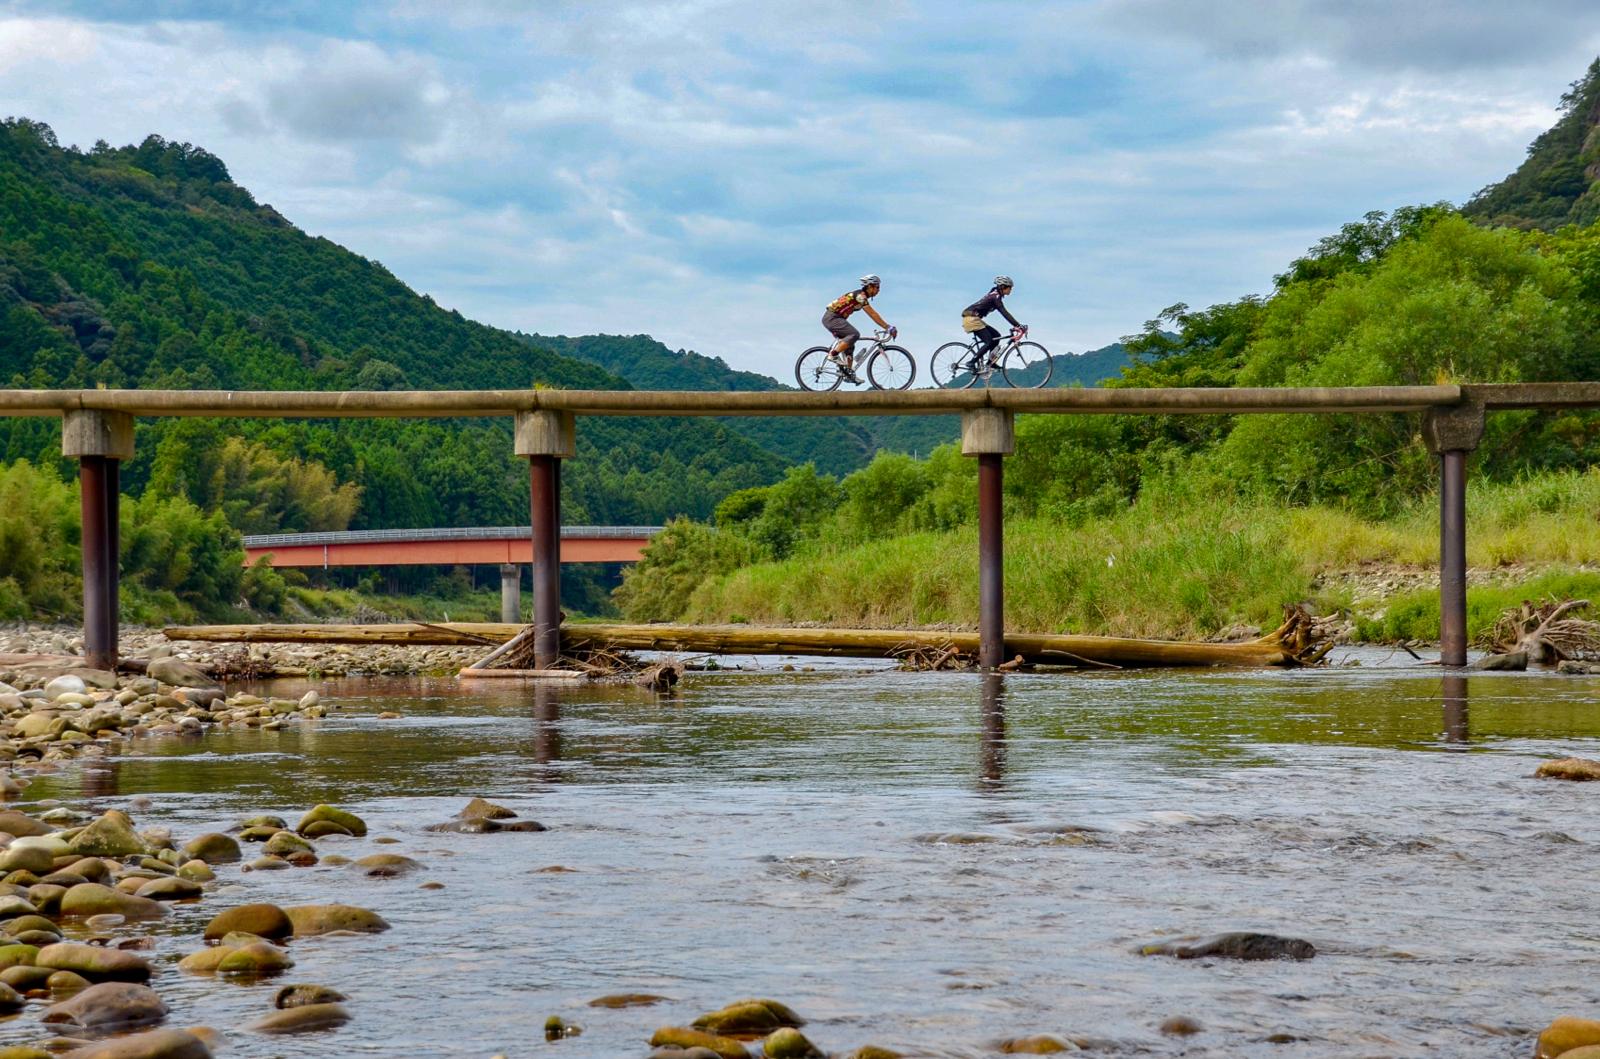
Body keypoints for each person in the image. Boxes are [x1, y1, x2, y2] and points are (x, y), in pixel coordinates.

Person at [822, 274, 895, 382]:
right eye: (877, 287)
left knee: (850, 346)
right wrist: (888, 327)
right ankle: (833, 354)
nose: (879, 290)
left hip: (835, 318)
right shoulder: (860, 296)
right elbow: (873, 314)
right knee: (855, 334)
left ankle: (849, 374)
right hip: (832, 318)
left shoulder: (860, 297)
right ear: (870, 286)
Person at [962, 275, 1025, 366]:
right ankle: (972, 362)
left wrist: (1016, 325)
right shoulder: (995, 297)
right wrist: (1018, 325)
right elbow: (1004, 312)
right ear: (1003, 287)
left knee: (996, 336)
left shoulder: (995, 294)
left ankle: (990, 363)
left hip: (975, 319)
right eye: (1010, 288)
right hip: (971, 319)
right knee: (989, 341)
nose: (1011, 290)